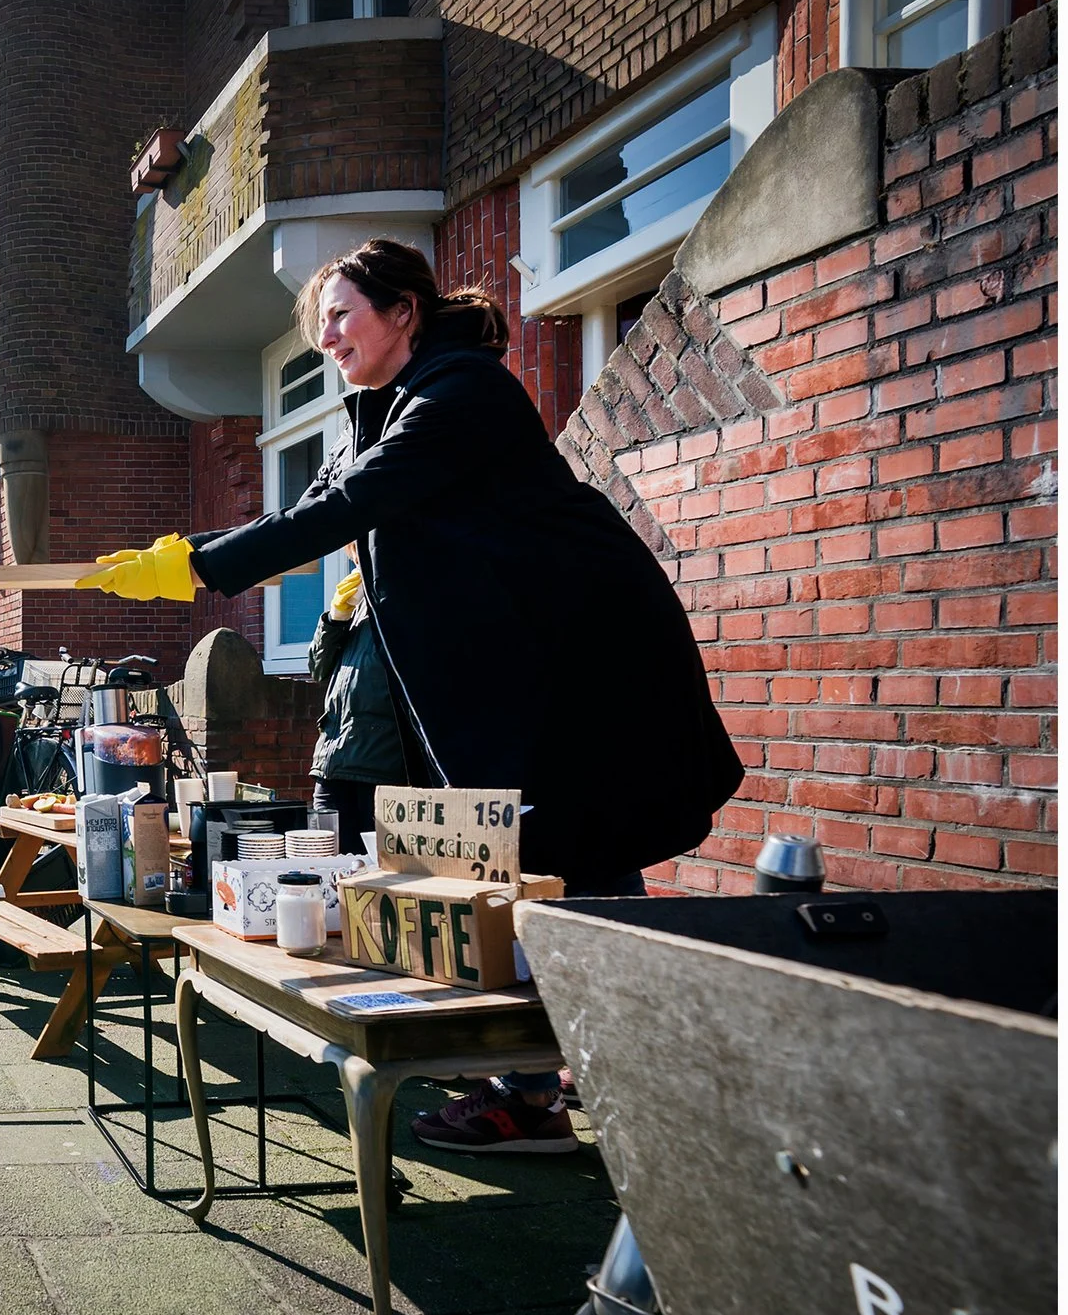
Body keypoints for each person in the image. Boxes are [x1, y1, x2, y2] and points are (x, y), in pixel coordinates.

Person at [78, 239, 742, 1153]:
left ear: (404, 313)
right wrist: (182, 556)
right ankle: (549, 1091)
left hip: (582, 660)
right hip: (505, 678)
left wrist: (197, 566)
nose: (328, 338)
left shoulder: (462, 393)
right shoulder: (370, 415)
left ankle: (639, 1097)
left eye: (343, 314)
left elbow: (348, 507)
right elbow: (304, 513)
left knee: (579, 854)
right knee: (525, 860)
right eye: (320, 325)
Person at [305, 554, 408, 851]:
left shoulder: (400, 598)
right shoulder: (357, 604)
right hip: (331, 762)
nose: (356, 561)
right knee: (327, 861)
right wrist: (335, 619)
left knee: (376, 867)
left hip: (379, 765)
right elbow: (318, 669)